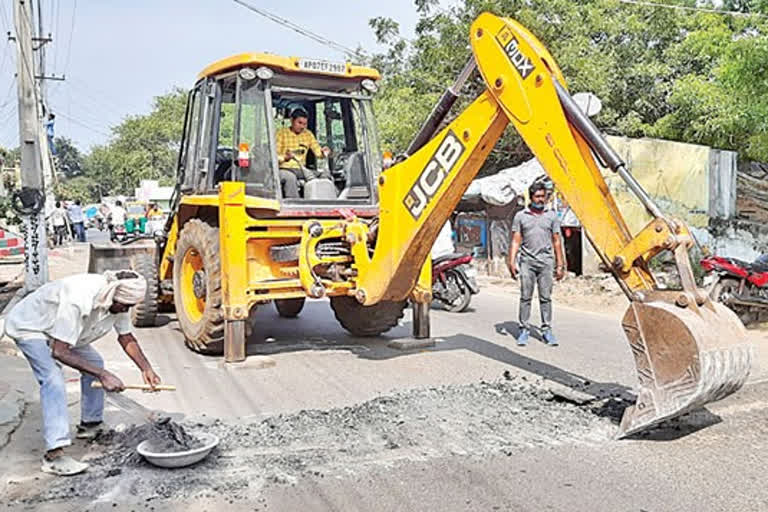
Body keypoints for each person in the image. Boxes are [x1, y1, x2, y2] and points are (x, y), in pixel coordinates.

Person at [3, 270, 161, 476]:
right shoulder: (79, 299)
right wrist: (103, 375)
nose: (126, 310)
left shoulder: (117, 299)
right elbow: (59, 352)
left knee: (95, 362)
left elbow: (125, 336)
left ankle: (90, 425)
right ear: (114, 295)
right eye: (126, 306)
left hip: (61, 331)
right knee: (53, 380)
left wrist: (146, 368)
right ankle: (54, 456)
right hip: (31, 326)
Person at [508, 181, 565, 347]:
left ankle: (546, 329)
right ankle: (524, 329)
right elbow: (516, 241)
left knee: (545, 298)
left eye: (543, 196)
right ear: (531, 197)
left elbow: (557, 241)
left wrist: (560, 265)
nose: (541, 199)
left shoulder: (552, 216)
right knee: (525, 297)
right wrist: (511, 262)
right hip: (527, 262)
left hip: (546, 262)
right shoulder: (521, 216)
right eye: (538, 196)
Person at [275, 108, 330, 198]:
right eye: (299, 123)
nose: (302, 127)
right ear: (292, 120)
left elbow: (318, 152)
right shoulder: (281, 134)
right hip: (284, 169)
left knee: (324, 176)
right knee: (290, 178)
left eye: (305, 124)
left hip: (301, 169)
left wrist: (324, 152)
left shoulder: (308, 134)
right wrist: (285, 157)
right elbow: (274, 156)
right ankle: (294, 204)